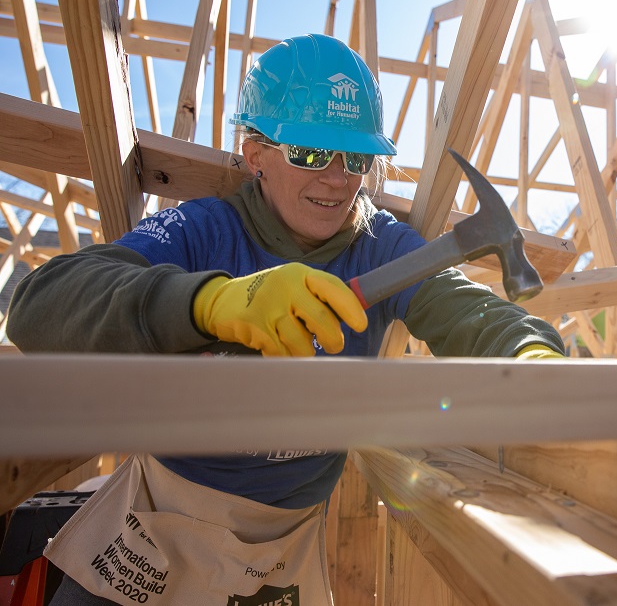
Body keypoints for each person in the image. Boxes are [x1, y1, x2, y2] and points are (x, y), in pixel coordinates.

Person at [7, 34, 564, 605]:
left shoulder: (384, 249)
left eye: (357, 158)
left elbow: (467, 310)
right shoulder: (203, 232)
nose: (337, 177)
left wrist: (534, 355)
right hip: (154, 522)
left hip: (278, 551)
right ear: (255, 154)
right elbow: (38, 304)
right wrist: (210, 303)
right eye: (310, 152)